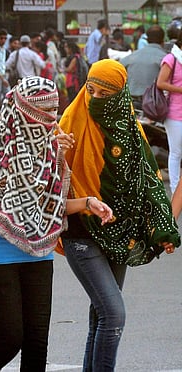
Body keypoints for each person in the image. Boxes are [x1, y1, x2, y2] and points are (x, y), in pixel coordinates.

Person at [0, 76, 112, 371]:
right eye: (42, 113)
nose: (50, 119)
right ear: (22, 109)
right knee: (9, 338)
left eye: (54, 111)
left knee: (37, 342)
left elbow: (52, 206)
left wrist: (88, 202)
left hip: (40, 251)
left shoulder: (50, 148)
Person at [59, 59, 180, 372]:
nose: (95, 98)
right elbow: (46, 180)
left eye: (104, 94)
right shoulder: (71, 121)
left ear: (119, 96)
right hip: (80, 231)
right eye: (90, 90)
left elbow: (148, 179)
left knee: (100, 316)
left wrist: (162, 227)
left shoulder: (129, 127)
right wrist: (54, 151)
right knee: (114, 314)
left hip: (118, 231)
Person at [156, 30, 182, 194]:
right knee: (176, 153)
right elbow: (160, 82)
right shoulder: (171, 59)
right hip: (174, 114)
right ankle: (174, 190)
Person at [120, 25, 166, 109]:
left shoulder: (133, 55)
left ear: (147, 40)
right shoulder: (165, 58)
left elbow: (119, 66)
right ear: (163, 40)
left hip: (131, 103)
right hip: (154, 105)